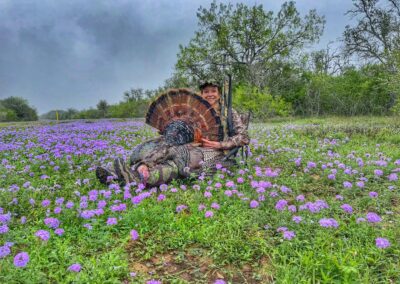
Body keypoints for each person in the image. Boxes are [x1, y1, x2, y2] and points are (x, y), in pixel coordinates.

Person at [95, 80, 250, 187]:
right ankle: (120, 173)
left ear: (219, 93)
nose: (210, 94)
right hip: (191, 145)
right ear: (201, 94)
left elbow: (243, 137)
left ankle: (139, 179)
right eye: (206, 92)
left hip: (214, 151)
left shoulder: (230, 112)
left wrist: (220, 144)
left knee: (177, 160)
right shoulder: (192, 110)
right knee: (163, 144)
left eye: (213, 91)